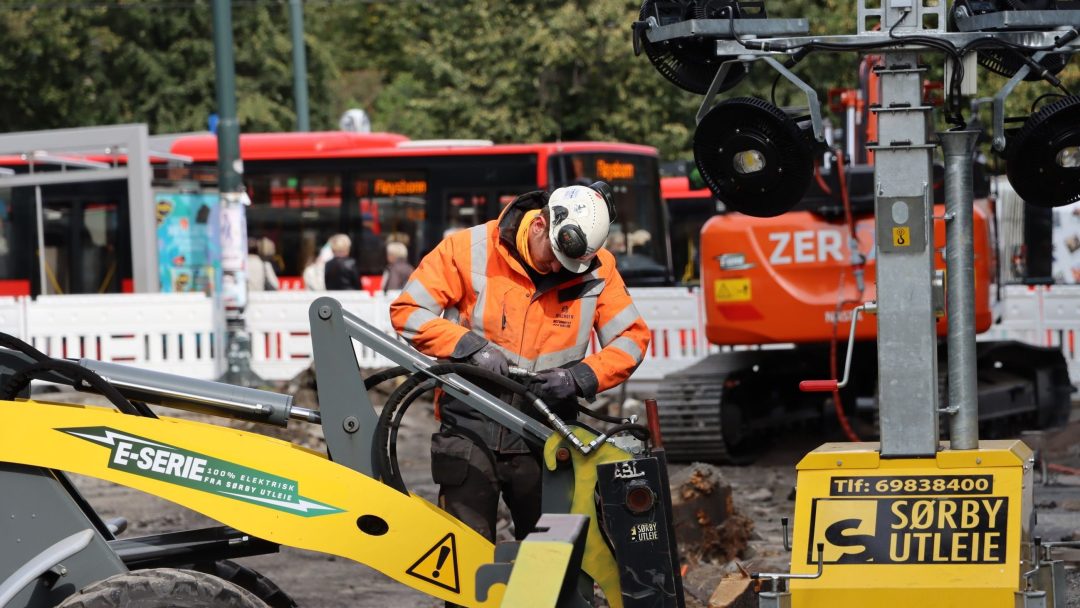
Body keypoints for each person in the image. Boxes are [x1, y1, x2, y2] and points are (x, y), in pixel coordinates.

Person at [389, 182, 650, 544]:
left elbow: (632, 339)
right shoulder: (469, 249)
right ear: (540, 225)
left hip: (546, 432)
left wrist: (580, 377)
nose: (561, 268)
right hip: (471, 426)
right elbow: (408, 312)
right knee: (465, 562)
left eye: (571, 263)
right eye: (555, 256)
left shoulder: (596, 269)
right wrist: (468, 345)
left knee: (554, 560)